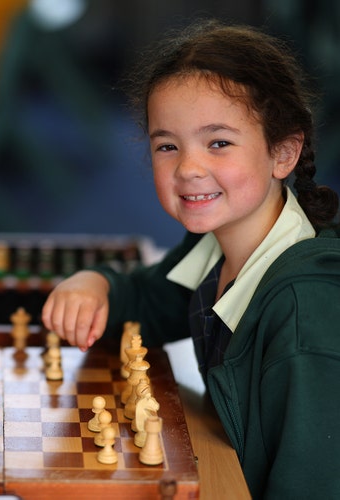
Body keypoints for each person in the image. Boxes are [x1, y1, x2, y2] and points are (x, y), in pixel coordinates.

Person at [41, 19, 340, 499]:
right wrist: (95, 284)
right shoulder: (216, 244)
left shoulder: (307, 309)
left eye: (218, 142)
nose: (188, 167)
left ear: (283, 153)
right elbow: (148, 303)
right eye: (167, 146)